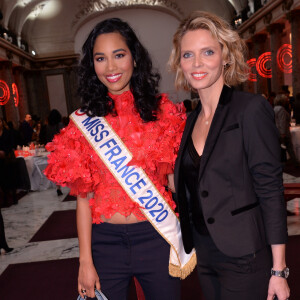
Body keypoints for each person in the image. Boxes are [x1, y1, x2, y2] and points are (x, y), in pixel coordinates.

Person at [45, 18, 194, 300]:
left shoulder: (163, 114)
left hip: (155, 238)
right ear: (92, 66)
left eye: (119, 55)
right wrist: (85, 261)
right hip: (105, 245)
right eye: (101, 58)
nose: (111, 67)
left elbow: (176, 183)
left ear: (134, 58)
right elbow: (83, 200)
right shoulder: (83, 124)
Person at [168, 11, 290, 300]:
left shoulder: (250, 109)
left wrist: (279, 270)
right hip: (205, 251)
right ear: (180, 63)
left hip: (245, 254)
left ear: (225, 56)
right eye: (188, 55)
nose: (196, 63)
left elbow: (271, 191)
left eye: (207, 52)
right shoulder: (190, 120)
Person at [274, 93, 298, 165]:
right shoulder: (281, 109)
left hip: (277, 131)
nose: (287, 100)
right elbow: (282, 121)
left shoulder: (275, 108)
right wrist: (283, 133)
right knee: (289, 148)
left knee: (282, 149)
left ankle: (292, 162)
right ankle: (295, 162)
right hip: (283, 132)